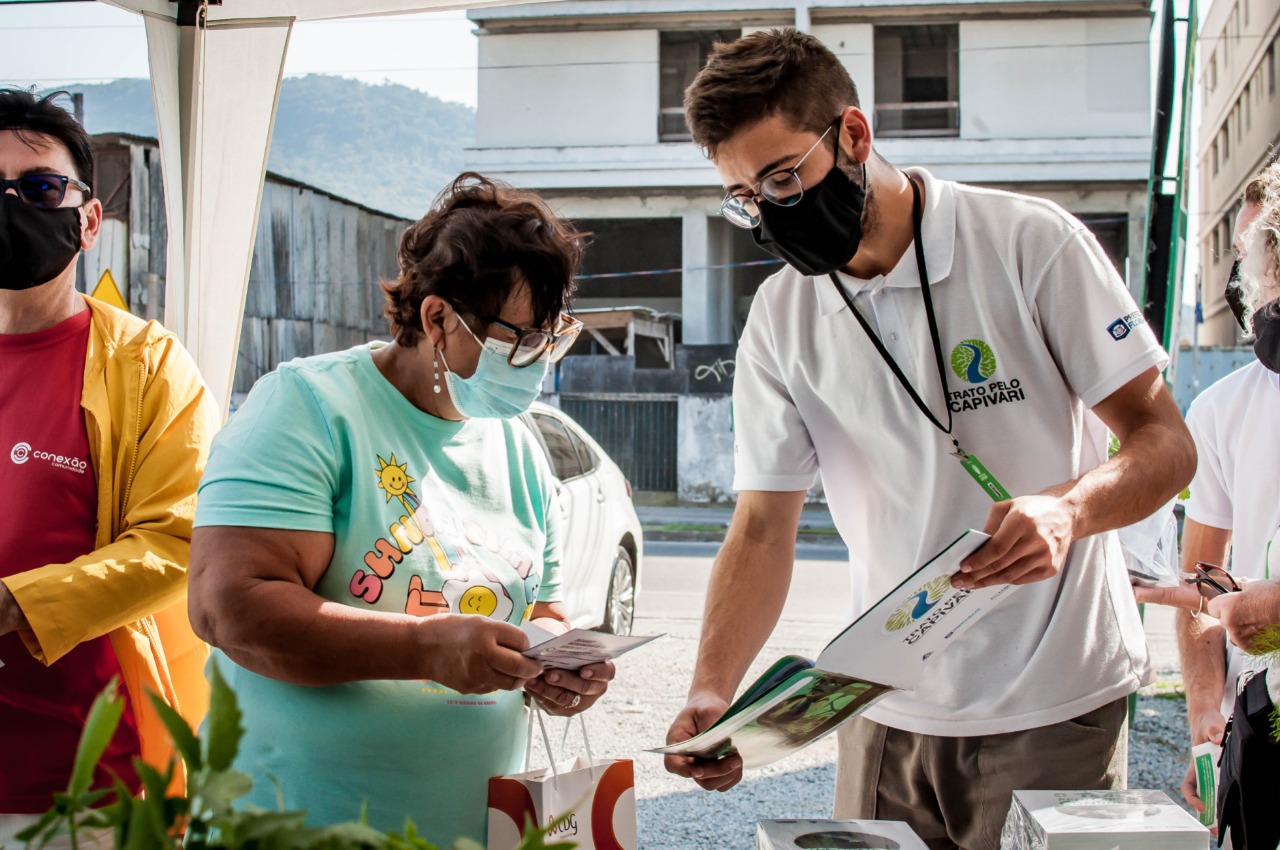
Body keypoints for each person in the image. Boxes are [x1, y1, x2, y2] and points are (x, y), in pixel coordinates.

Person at [663, 30, 1195, 850]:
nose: (769, 214)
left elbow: (1165, 443)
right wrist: (712, 687)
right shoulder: (780, 315)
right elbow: (763, 524)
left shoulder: (1028, 243)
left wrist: (1069, 513)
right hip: (876, 703)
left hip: (1054, 699)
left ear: (854, 134)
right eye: (745, 197)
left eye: (780, 178)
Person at [188, 172, 614, 849]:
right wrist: (422, 650)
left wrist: (558, 666)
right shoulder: (307, 408)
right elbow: (227, 606)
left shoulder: (519, 448)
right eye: (518, 339)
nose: (537, 365)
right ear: (438, 318)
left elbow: (540, 611)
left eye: (550, 339)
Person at [0, 89, 218, 844]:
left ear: (88, 219)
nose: (13, 206)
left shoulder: (148, 365)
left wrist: (17, 604)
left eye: (38, 188)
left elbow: (182, 538)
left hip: (89, 786)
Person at [1137, 163, 1280, 850]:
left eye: (1264, 247)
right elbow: (1203, 580)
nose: (1250, 273)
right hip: (1264, 724)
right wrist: (1203, 716)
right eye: (1249, 250)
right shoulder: (1224, 409)